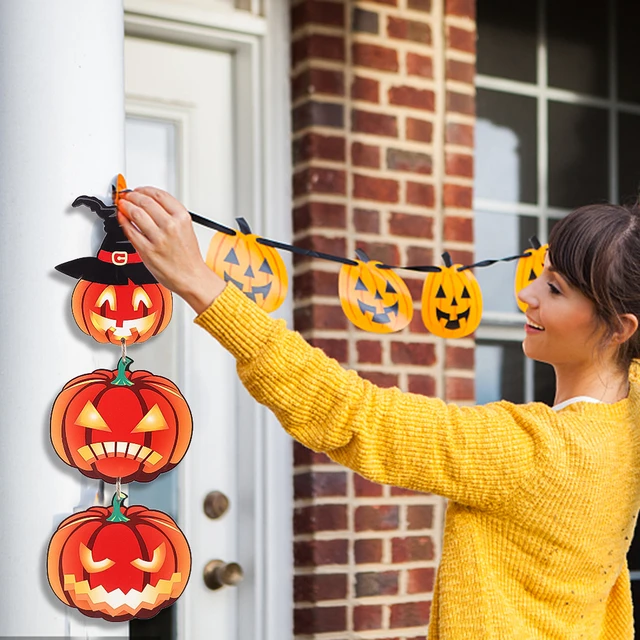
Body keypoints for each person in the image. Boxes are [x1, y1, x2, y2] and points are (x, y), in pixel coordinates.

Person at [117, 188, 640, 639]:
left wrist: (197, 281)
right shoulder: (628, 423)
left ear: (620, 328)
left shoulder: (534, 452)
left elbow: (352, 413)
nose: (525, 294)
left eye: (554, 289)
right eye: (538, 274)